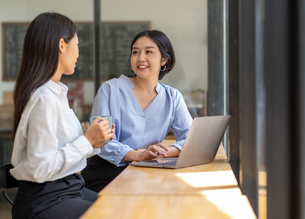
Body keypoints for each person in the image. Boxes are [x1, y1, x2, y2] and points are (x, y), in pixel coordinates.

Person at [10, 12, 114, 219]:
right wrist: (87, 141)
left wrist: (94, 141)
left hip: (69, 189)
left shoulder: (55, 93)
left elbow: (58, 152)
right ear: (62, 45)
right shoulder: (44, 98)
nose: (78, 54)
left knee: (121, 205)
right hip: (45, 200)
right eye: (77, 46)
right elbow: (41, 168)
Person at [81, 29, 192, 192]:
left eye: (148, 52)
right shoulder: (110, 90)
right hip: (106, 175)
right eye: (135, 52)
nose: (140, 58)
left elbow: (190, 139)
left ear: (164, 60)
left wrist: (161, 153)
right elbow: (102, 142)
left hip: (147, 173)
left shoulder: (172, 96)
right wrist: (139, 155)